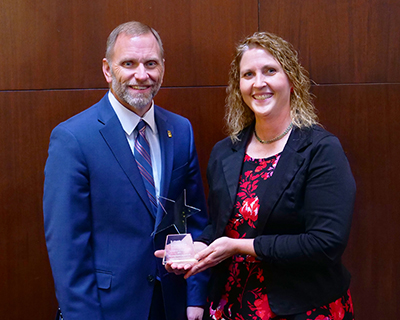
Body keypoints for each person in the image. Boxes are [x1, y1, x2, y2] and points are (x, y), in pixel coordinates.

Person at [159, 32, 356, 319]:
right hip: (232, 307)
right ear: (238, 86)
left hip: (304, 308)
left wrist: (239, 247)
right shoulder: (225, 151)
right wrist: (197, 249)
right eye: (248, 74)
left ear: (291, 80)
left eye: (270, 71)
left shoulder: (321, 150)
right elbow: (223, 225)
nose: (258, 83)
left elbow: (326, 243)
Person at [43, 21, 209, 320]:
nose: (141, 75)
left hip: (172, 305)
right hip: (108, 309)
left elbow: (193, 220)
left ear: (162, 68)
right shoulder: (74, 138)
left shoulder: (181, 131)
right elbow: (68, 248)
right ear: (108, 69)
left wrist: (195, 298)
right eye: (129, 63)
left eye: (151, 63)